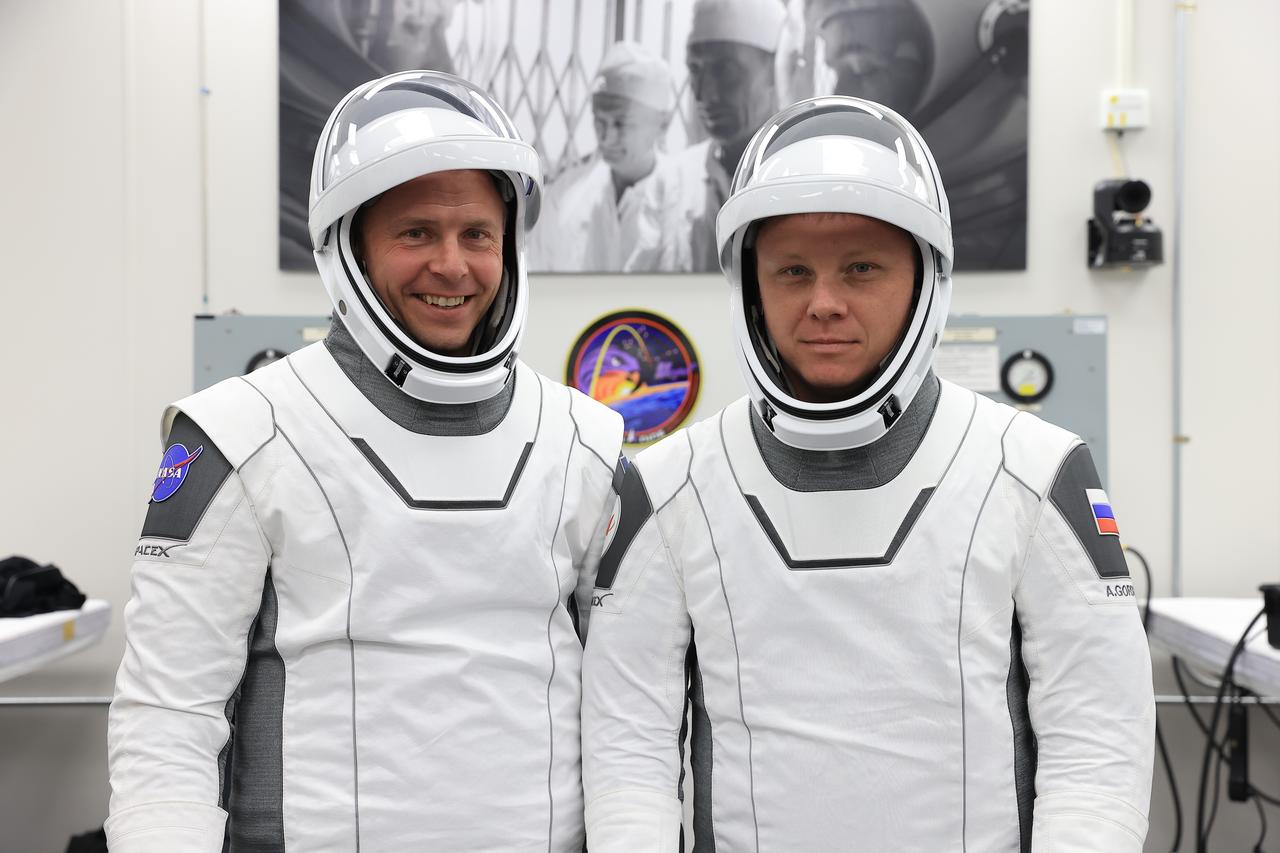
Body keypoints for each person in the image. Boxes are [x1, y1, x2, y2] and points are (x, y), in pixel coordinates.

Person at [581, 97, 1155, 852]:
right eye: (792, 271)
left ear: (925, 278)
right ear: (750, 285)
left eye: (862, 268)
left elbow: (1098, 746)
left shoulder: (1037, 471)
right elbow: (630, 751)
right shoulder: (666, 486)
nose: (824, 303)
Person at [106, 71, 624, 852]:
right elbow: (167, 717)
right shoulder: (239, 432)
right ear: (346, 244)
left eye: (477, 234)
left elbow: (627, 717)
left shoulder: (587, 440)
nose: (453, 266)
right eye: (416, 232)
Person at [625, 0, 787, 273]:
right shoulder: (672, 181)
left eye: (725, 71)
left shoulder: (803, 177)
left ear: (774, 71)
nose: (704, 94)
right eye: (695, 71)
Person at [529, 41, 674, 272]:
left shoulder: (680, 201)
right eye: (599, 121)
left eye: (621, 123)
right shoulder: (564, 198)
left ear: (663, 124)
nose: (605, 138)